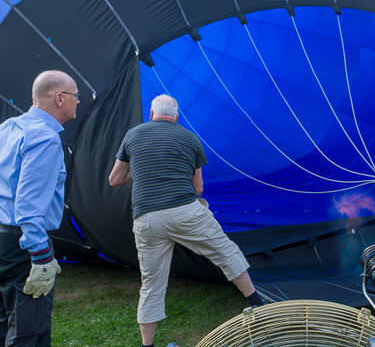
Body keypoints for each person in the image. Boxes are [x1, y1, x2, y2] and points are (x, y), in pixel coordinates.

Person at [108, 95, 264, 347]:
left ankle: (147, 345)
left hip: (146, 218)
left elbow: (114, 179)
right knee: (226, 252)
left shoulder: (132, 135)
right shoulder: (190, 138)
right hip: (185, 211)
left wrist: (139, 173)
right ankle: (257, 304)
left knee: (151, 284)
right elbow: (199, 188)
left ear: (151, 114)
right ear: (177, 116)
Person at [0, 71, 80, 346]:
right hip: (22, 241)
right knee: (28, 331)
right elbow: (29, 205)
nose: (78, 102)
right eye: (75, 96)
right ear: (59, 98)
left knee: (4, 321)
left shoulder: (8, 127)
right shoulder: (44, 137)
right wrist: (41, 256)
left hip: (2, 237)